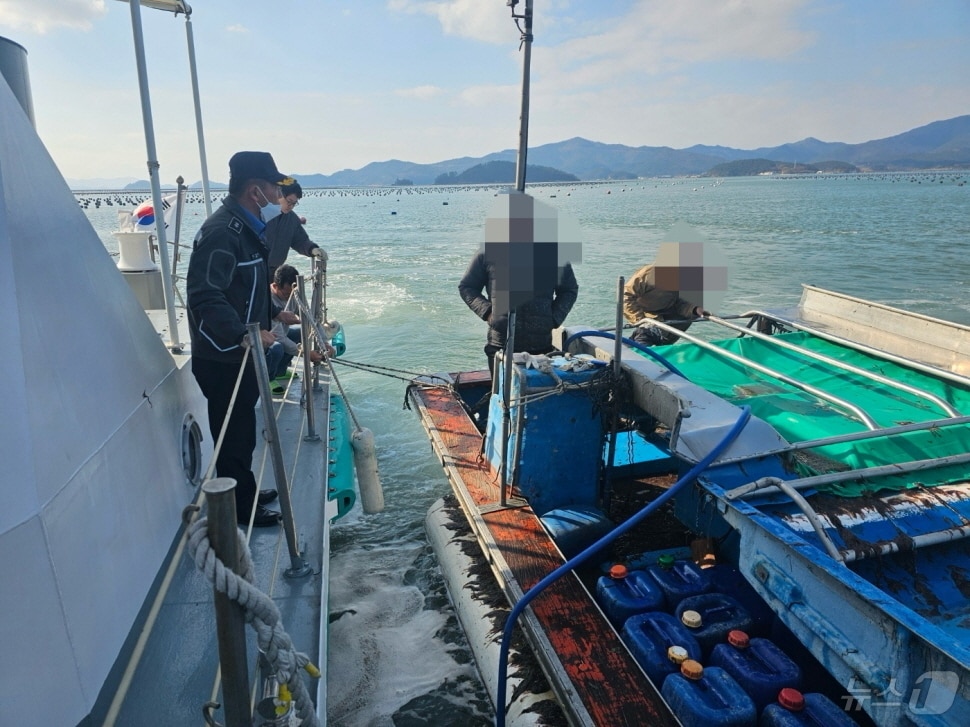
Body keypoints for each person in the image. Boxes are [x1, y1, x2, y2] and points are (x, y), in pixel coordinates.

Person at [186, 151, 300, 527]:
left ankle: (246, 491)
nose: (276, 197)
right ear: (256, 191)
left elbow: (245, 288)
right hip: (225, 356)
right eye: (272, 188)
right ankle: (239, 509)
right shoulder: (223, 232)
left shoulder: (247, 229)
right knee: (232, 432)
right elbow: (206, 295)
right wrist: (240, 335)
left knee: (243, 430)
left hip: (244, 350)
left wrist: (272, 315)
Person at [459, 249, 579, 374]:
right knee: (501, 392)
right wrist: (488, 313)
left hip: (541, 346)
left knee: (539, 392)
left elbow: (569, 290)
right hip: (500, 346)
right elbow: (467, 287)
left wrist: (553, 318)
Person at [623, 262, 709, 346]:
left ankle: (656, 346)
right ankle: (640, 342)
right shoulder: (651, 272)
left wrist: (695, 309)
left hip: (669, 314)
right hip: (646, 313)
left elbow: (680, 303)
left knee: (687, 318)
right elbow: (625, 296)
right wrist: (641, 320)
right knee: (647, 333)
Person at [268, 264, 324, 383]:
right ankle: (269, 379)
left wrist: (324, 344)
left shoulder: (295, 293)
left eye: (292, 294)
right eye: (286, 294)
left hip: (282, 334)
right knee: (277, 347)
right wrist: (307, 354)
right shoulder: (268, 300)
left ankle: (280, 372)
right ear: (275, 286)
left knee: (301, 332)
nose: (290, 297)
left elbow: (311, 320)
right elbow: (280, 338)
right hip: (268, 340)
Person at [264, 179, 327, 281]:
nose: (291, 206)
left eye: (294, 203)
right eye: (289, 201)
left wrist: (313, 249)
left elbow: (300, 241)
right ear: (279, 194)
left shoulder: (292, 219)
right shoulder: (260, 213)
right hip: (252, 269)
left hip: (274, 272)